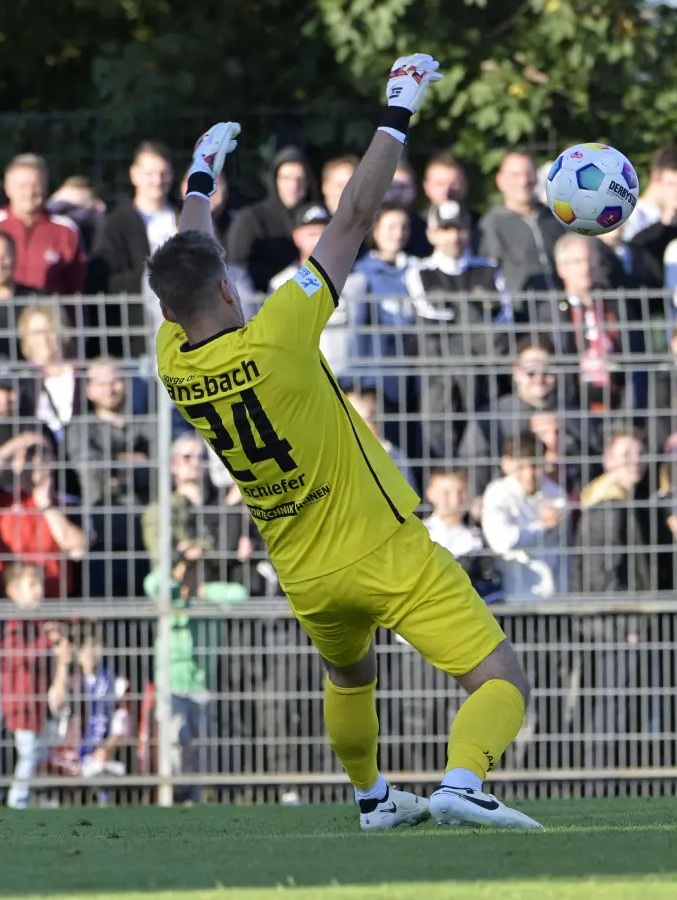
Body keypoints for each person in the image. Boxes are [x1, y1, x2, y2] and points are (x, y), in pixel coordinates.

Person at [144, 56, 539, 832]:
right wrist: (398, 111)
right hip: (379, 544)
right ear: (227, 288)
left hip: (301, 566)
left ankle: (372, 798)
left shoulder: (172, 360)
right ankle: (463, 780)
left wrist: (200, 181)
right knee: (501, 678)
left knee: (351, 677)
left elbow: (189, 255)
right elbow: (355, 216)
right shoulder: (280, 333)